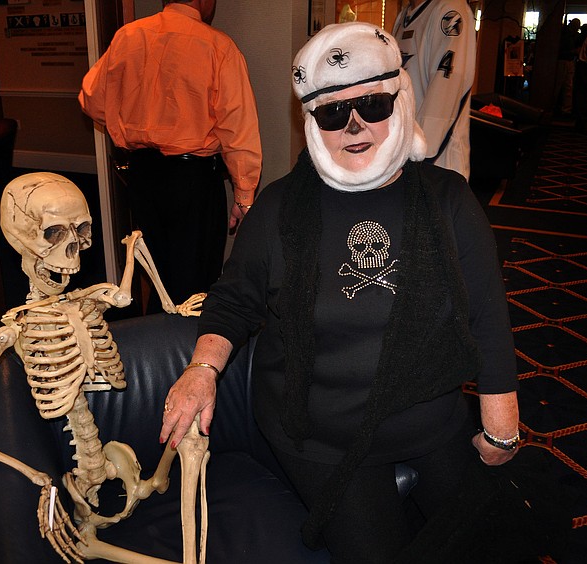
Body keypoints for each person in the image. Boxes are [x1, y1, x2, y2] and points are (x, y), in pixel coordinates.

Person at [160, 22, 520, 563]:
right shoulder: (280, 207)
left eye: (371, 105)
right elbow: (233, 299)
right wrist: (201, 369)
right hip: (319, 430)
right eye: (332, 113)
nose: (354, 126)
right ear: (312, 122)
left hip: (432, 417)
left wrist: (501, 423)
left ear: (399, 101)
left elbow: (487, 318)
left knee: (492, 544)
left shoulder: (448, 199)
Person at [79, 0, 262, 310]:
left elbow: (92, 101)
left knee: (156, 274)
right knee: (195, 287)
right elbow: (237, 127)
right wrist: (244, 197)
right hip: (193, 179)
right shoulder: (217, 46)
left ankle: (156, 350)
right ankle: (185, 353)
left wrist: (127, 118)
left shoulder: (128, 36)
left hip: (141, 176)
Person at [392, 0, 476, 180]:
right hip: (405, 154)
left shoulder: (451, 10)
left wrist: (419, 155)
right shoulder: (403, 17)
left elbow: (444, 93)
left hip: (436, 160)